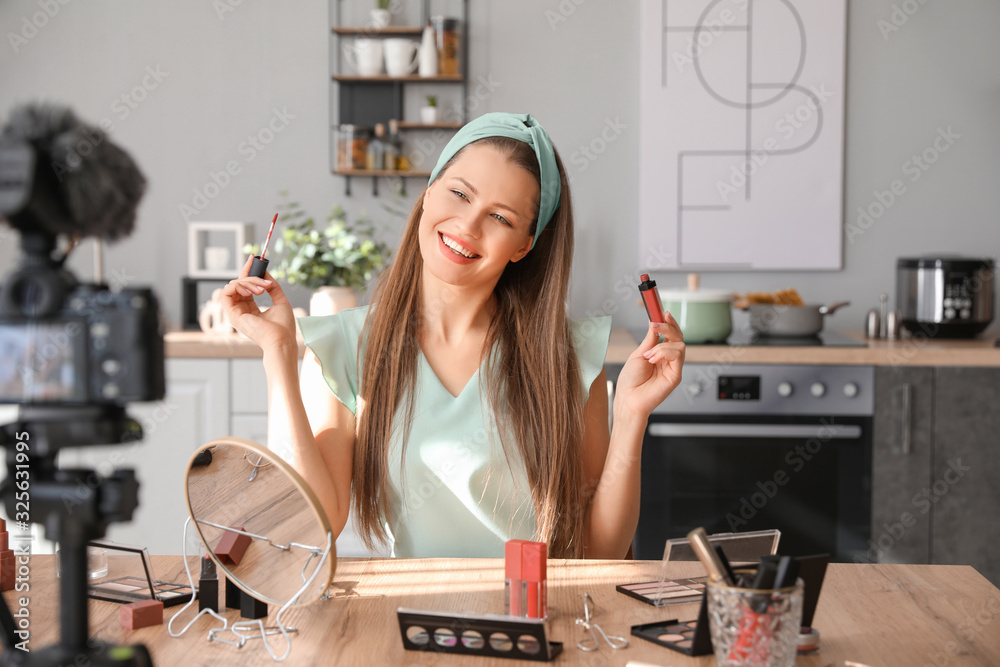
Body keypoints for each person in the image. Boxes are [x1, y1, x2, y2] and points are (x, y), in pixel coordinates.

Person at [222, 113, 685, 559]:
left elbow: (599, 550)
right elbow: (316, 526)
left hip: (539, 620)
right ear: (428, 192)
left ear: (525, 245)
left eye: (500, 218)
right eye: (459, 194)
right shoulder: (345, 345)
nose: (467, 225)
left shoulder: (568, 354)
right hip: (412, 618)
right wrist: (278, 353)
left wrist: (630, 416)